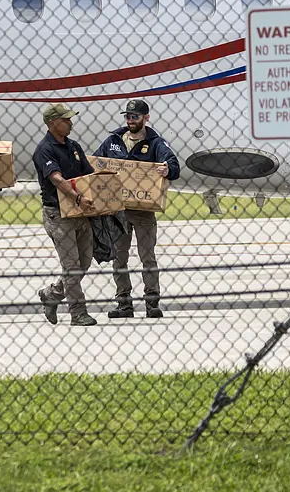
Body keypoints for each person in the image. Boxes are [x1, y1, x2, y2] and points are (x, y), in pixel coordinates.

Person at [93, 98, 181, 319]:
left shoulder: (156, 143)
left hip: (143, 210)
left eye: (135, 117)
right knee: (119, 258)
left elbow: (174, 166)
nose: (131, 120)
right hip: (118, 210)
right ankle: (124, 304)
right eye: (128, 116)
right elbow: (94, 163)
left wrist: (166, 169)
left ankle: (152, 302)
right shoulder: (113, 141)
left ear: (146, 118)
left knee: (147, 256)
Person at [32, 103, 99, 327]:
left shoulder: (74, 146)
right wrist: (78, 198)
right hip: (58, 214)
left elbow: (89, 175)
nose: (71, 122)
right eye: (66, 119)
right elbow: (57, 179)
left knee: (85, 262)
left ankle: (51, 294)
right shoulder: (44, 150)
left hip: (80, 212)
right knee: (71, 266)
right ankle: (78, 312)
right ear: (53, 123)